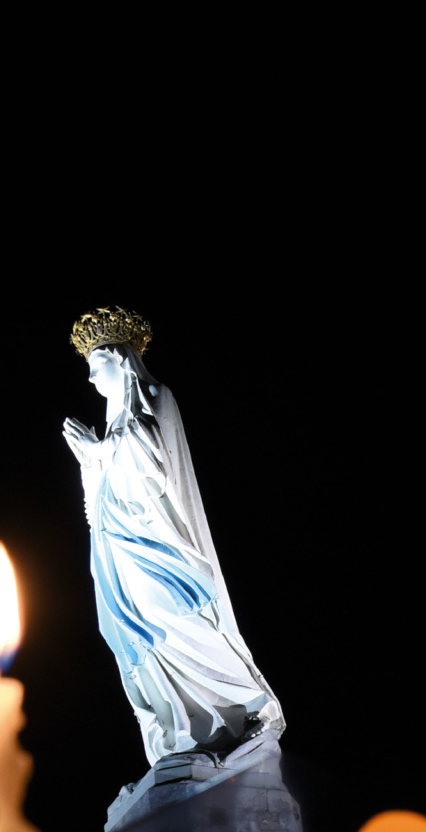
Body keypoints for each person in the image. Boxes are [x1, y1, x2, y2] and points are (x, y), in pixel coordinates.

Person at [62, 308, 284, 770]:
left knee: (168, 615)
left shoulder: (155, 397)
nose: (90, 378)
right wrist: (91, 461)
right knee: (132, 632)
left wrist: (101, 452)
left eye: (96, 365)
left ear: (121, 359)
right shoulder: (115, 423)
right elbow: (106, 490)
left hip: (157, 543)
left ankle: (241, 703)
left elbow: (155, 469)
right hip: (117, 546)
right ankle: (179, 728)